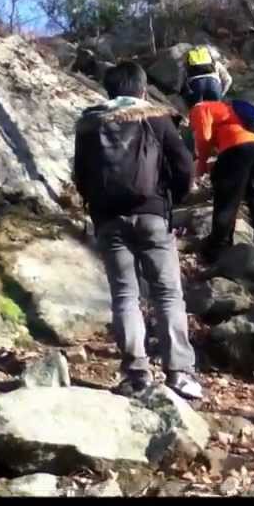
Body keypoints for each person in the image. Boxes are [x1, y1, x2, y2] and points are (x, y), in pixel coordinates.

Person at [72, 62, 203, 400]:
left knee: (126, 296)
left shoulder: (89, 124)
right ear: (142, 89)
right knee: (168, 293)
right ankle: (180, 374)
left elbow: (81, 176)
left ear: (109, 90)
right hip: (153, 215)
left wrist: (99, 208)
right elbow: (184, 165)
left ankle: (136, 375)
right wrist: (171, 197)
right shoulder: (156, 118)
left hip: (109, 221)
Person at [187, 88, 254, 265]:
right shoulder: (230, 112)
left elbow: (203, 137)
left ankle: (219, 249)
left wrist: (202, 164)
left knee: (227, 200)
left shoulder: (200, 108)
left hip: (238, 146)